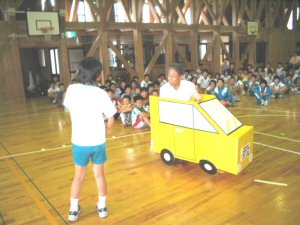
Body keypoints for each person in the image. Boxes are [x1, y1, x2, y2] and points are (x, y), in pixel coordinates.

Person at [63, 57, 116, 221]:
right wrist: (105, 133)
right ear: (98, 75)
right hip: (98, 142)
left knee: (79, 176)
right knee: (100, 175)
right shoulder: (101, 93)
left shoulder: (71, 89)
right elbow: (111, 118)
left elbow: (68, 108)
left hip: (79, 142)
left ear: (80, 72)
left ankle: (73, 210)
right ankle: (102, 207)